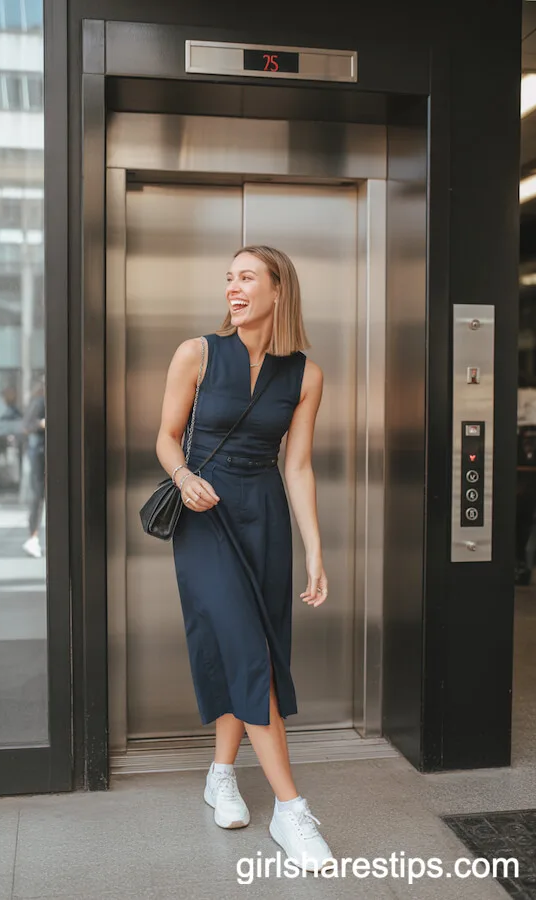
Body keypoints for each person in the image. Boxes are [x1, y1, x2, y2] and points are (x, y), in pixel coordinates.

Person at [155, 246, 333, 871]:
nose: (234, 287)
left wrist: (314, 547)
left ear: (278, 290)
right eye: (229, 278)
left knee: (251, 643)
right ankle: (291, 808)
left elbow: (300, 465)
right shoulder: (197, 353)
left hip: (265, 519)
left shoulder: (306, 375)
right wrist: (181, 476)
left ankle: (220, 774)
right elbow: (166, 435)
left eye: (247, 277)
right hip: (205, 515)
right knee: (245, 646)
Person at [516, 372, 536, 585]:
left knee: (520, 514)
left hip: (522, 456)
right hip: (535, 462)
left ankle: (519, 565)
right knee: (529, 516)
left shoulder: (521, 396)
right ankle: (523, 566)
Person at [22, 377, 45, 558]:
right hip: (40, 454)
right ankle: (33, 537)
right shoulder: (40, 401)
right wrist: (41, 424)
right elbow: (27, 426)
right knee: (38, 494)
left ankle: (34, 537)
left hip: (44, 452)